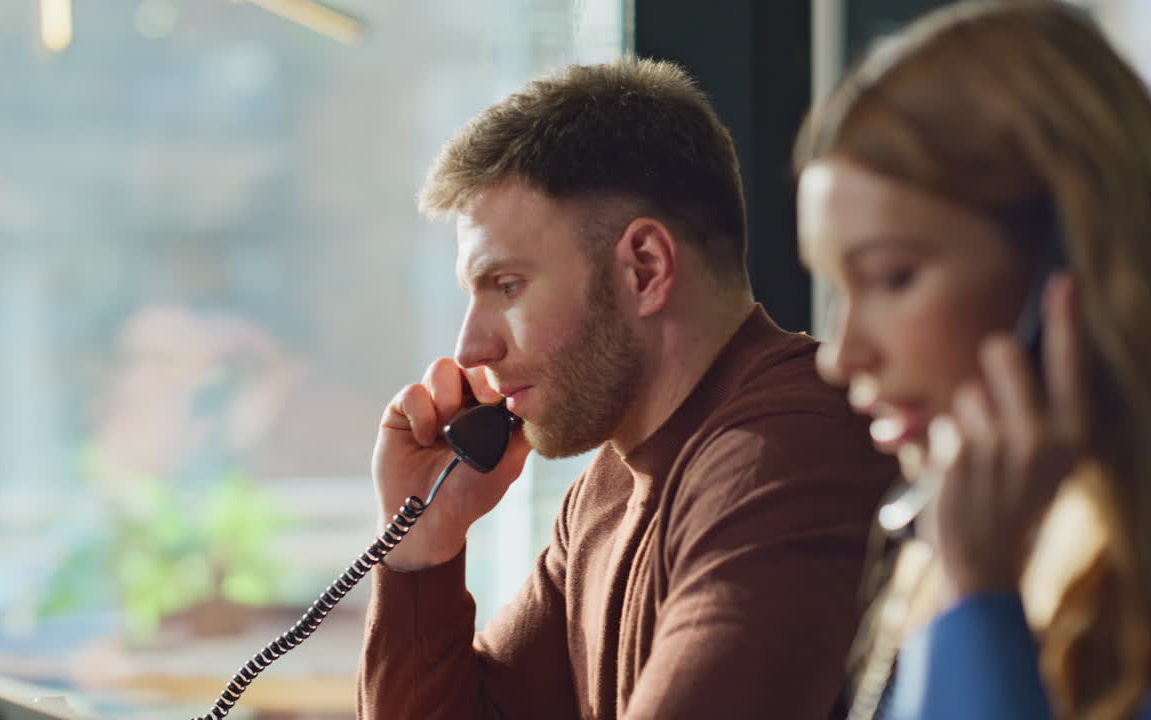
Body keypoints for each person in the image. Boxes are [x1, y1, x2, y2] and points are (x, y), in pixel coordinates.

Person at [357, 58, 898, 719]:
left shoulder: (788, 452)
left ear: (645, 268)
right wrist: (420, 551)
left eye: (508, 286)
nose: (471, 349)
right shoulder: (608, 488)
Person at [792, 1, 1151, 718]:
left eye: (890, 278)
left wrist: (978, 597)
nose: (841, 358)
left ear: (1070, 261)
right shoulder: (986, 539)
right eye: (835, 289)